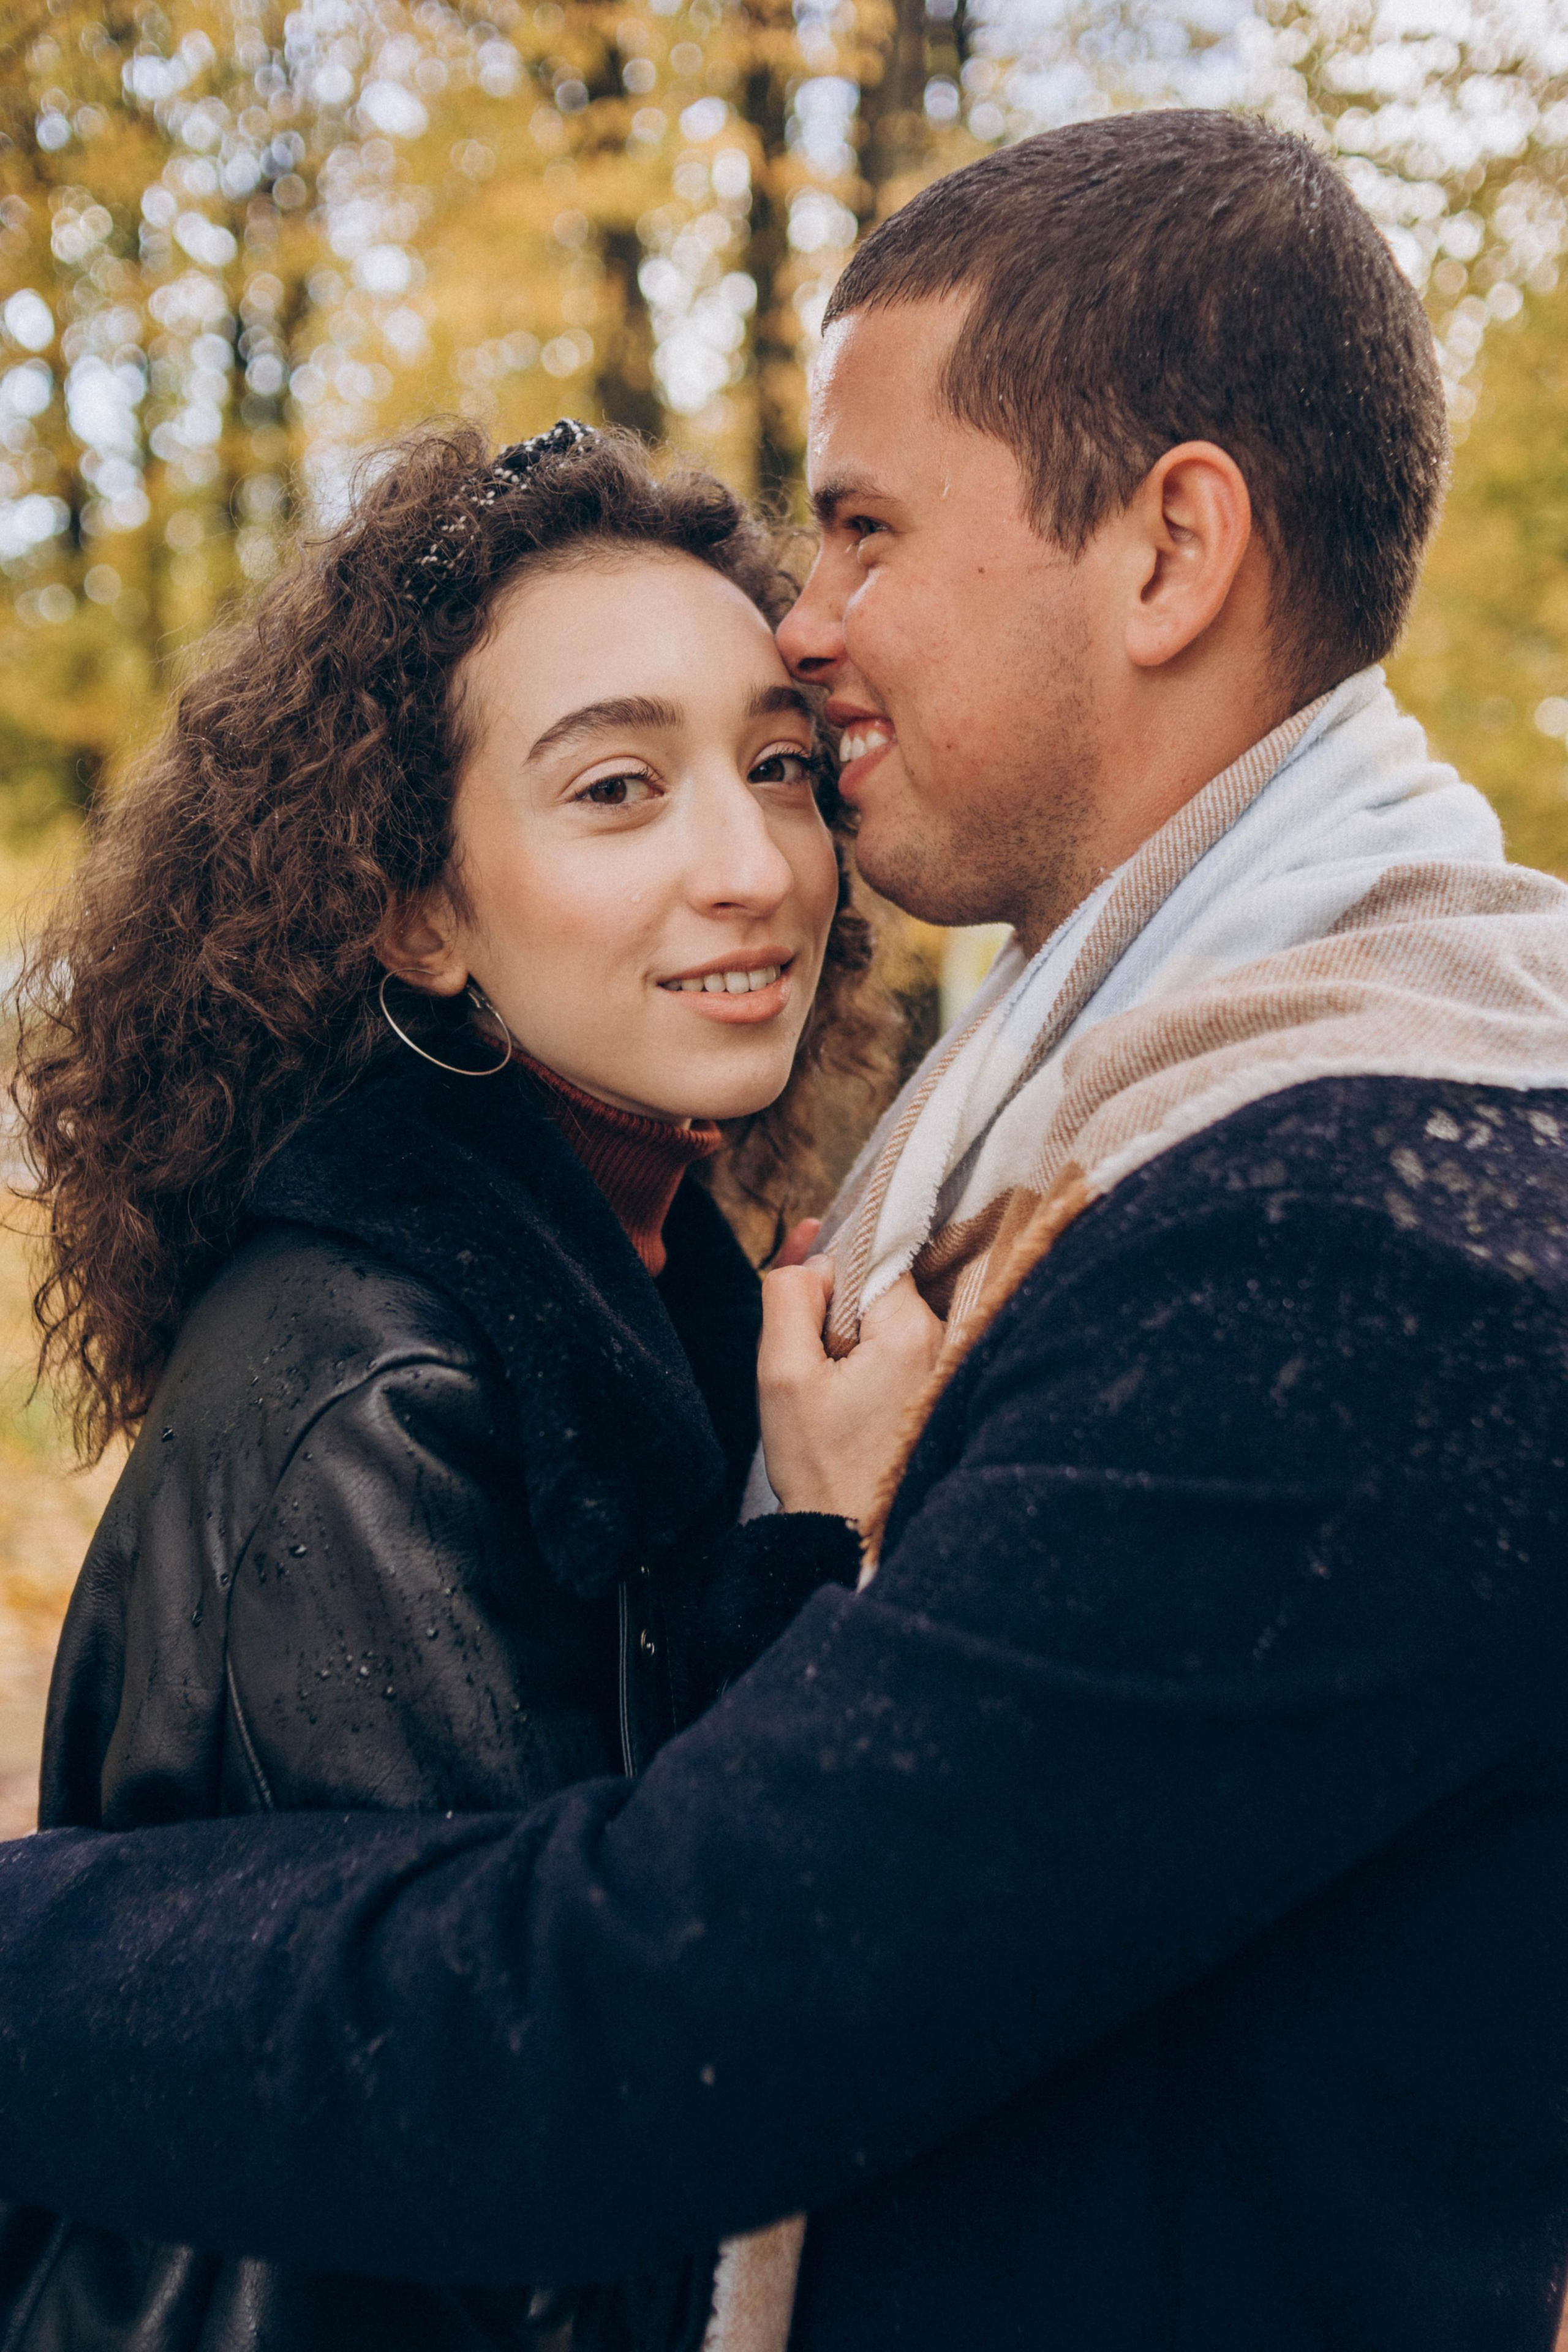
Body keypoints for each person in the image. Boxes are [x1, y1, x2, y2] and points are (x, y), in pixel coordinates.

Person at [4, 107, 1568, 2352]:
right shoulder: (1143, 1147)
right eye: (616, 785)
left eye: (860, 530)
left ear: (1170, 551)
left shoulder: (1340, 1240)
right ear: (419, 904)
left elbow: (645, 2015)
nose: (814, 636)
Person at [0, 420, 924, 2352]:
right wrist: (819, 1550)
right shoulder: (380, 1378)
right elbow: (548, 2121)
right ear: (415, 911)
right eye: (616, 789)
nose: (750, 864)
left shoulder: (645, 1275)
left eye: (779, 768)